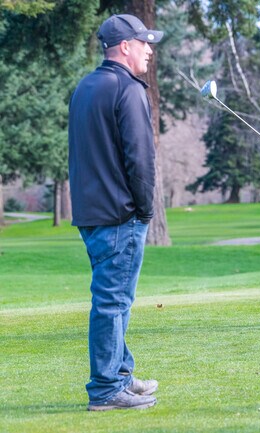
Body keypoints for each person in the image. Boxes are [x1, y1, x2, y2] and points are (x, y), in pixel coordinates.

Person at [68, 14, 163, 411]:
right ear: (125, 46)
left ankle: (121, 374)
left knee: (115, 300)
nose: (149, 50)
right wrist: (144, 210)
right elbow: (140, 160)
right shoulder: (127, 88)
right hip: (119, 215)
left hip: (91, 214)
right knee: (112, 302)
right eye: (144, 42)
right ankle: (107, 389)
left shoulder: (86, 86)